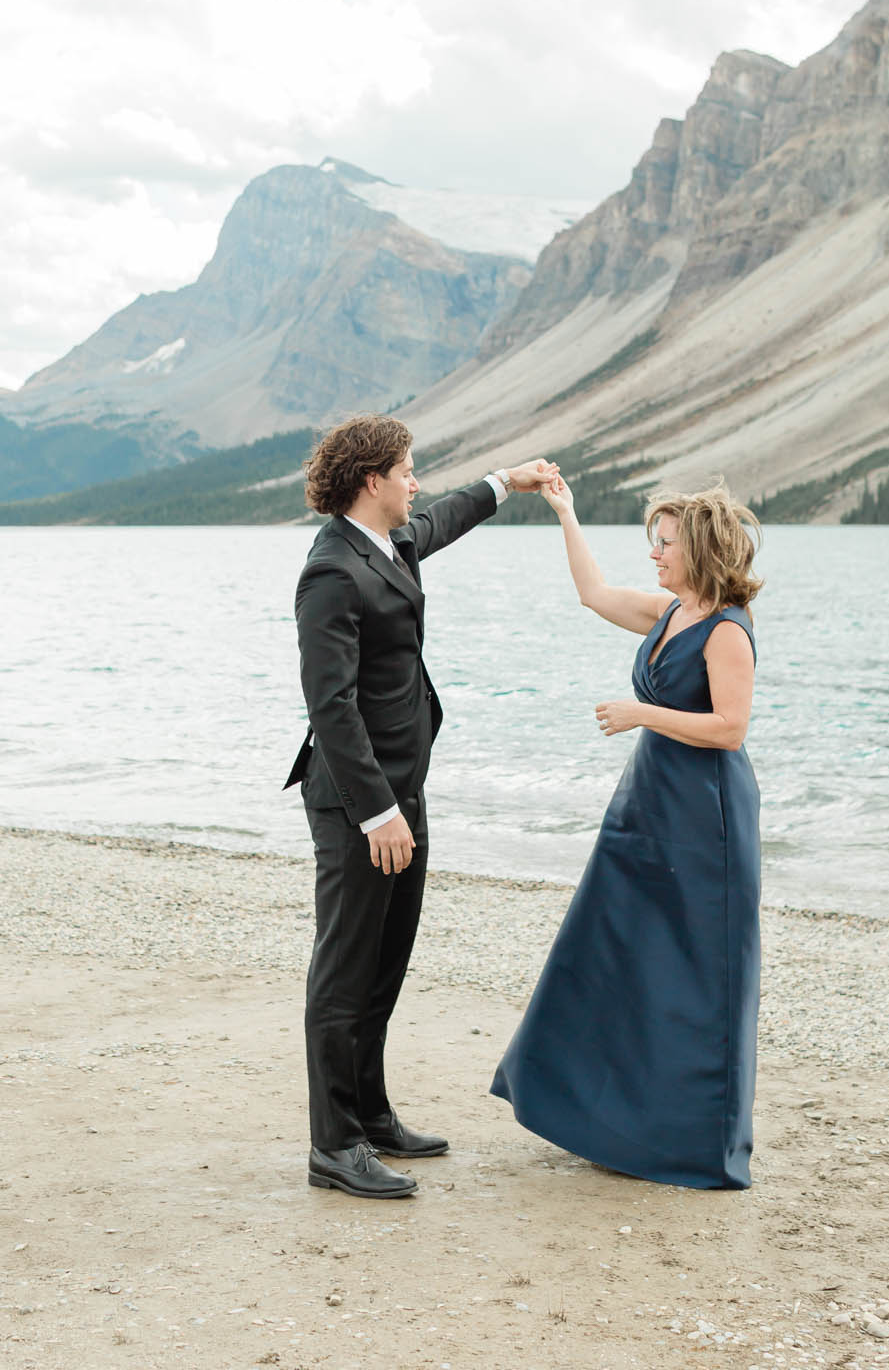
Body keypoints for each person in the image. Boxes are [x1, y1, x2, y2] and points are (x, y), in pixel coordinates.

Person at [287, 414, 557, 1199]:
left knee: (385, 963)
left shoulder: (389, 543)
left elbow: (444, 519)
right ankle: (332, 1147)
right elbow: (330, 705)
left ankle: (369, 1115)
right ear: (372, 480)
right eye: (408, 470)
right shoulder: (332, 571)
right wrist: (376, 813)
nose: (417, 482)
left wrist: (513, 480)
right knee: (343, 972)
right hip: (359, 807)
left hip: (405, 792)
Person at [491, 476, 763, 1189]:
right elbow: (593, 593)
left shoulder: (727, 628)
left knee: (696, 978)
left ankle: (695, 1146)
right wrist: (566, 513)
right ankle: (610, 1123)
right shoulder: (671, 612)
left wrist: (644, 715)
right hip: (646, 809)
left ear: (697, 549)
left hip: (705, 820)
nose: (654, 556)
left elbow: (731, 729)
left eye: (664, 544)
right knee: (616, 956)